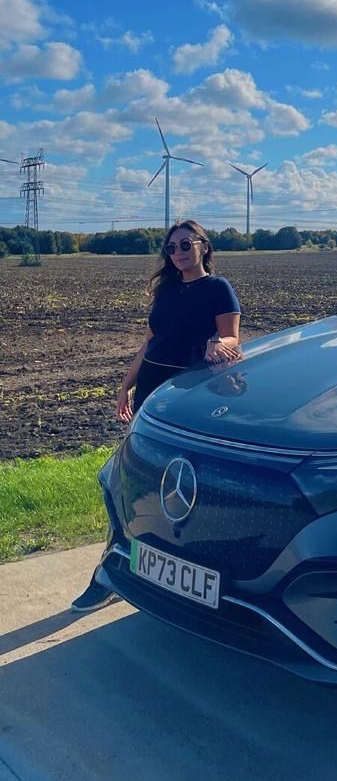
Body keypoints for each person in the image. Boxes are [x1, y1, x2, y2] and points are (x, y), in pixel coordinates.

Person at [71, 219, 242, 612]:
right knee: (135, 479)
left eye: (185, 244)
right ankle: (115, 569)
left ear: (203, 246)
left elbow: (232, 336)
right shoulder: (165, 290)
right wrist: (125, 384)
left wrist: (219, 343)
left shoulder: (218, 288)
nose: (178, 251)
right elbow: (150, 340)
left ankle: (189, 569)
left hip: (188, 394)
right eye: (171, 247)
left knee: (178, 483)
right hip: (151, 388)